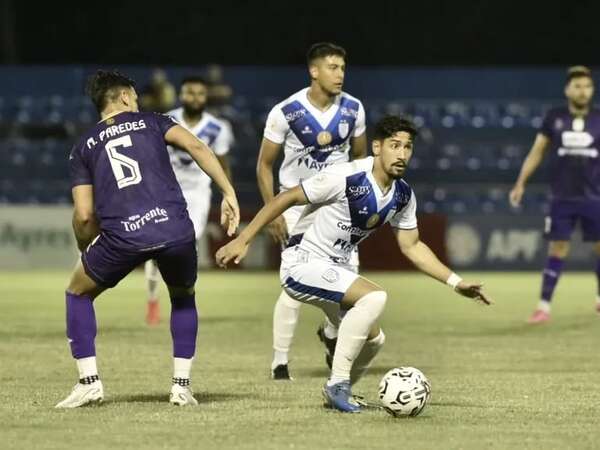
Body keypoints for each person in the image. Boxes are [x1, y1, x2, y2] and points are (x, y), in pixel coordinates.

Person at [217, 115, 491, 413]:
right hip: (301, 264)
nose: (402, 154)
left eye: (408, 147)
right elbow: (287, 198)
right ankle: (338, 385)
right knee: (374, 297)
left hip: (336, 271)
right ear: (377, 147)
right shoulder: (345, 177)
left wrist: (456, 283)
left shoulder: (402, 195)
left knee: (375, 341)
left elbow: (412, 247)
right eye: (395, 145)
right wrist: (244, 238)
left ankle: (338, 390)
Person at [55, 70, 239, 408]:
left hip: (123, 237)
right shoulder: (154, 122)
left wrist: (86, 248)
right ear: (125, 96)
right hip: (174, 229)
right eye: (135, 96)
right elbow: (197, 146)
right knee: (183, 297)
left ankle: (89, 382)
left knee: (77, 293)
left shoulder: (83, 146)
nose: (138, 101)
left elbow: (84, 216)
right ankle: (181, 387)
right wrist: (228, 192)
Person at [257, 42, 368, 380]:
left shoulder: (354, 109)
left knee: (348, 287)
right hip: (295, 207)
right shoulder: (285, 111)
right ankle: (279, 363)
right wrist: (273, 213)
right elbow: (264, 165)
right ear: (314, 71)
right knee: (294, 282)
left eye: (343, 68)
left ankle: (332, 335)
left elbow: (360, 161)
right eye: (333, 67)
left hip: (338, 209)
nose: (340, 74)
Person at [509, 65, 600, 323]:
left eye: (587, 87)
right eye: (578, 86)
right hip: (562, 198)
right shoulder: (554, 117)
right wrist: (520, 182)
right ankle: (543, 307)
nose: (583, 91)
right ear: (567, 90)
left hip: (596, 197)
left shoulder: (599, 119)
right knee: (557, 249)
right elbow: (537, 151)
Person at [144, 76, 234, 325]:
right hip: (165, 190)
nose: (195, 98)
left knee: (186, 245)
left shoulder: (218, 128)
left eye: (200, 94)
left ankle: (185, 304)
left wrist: (229, 194)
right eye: (189, 93)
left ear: (206, 97)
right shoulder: (165, 120)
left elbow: (223, 164)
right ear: (181, 95)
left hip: (197, 193)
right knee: (155, 248)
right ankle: (152, 300)